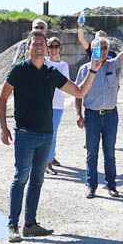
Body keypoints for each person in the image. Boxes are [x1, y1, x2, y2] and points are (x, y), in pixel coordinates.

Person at [0, 30, 103, 241]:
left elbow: (79, 92)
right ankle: (12, 225)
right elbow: (2, 98)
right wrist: (4, 127)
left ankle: (30, 225)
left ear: (47, 49)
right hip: (24, 134)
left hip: (46, 134)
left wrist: (93, 70)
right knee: (20, 178)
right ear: (28, 48)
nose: (39, 47)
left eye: (42, 44)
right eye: (35, 44)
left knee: (37, 180)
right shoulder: (19, 70)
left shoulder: (51, 72)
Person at [73, 26, 123, 199]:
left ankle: (112, 185)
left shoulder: (113, 65)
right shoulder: (84, 69)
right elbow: (78, 94)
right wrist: (79, 114)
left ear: (108, 50)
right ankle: (91, 185)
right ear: (92, 49)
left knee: (109, 153)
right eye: (98, 48)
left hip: (110, 115)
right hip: (92, 115)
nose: (101, 51)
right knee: (91, 153)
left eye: (104, 48)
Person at [43, 36, 72, 169]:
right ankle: (45, 160)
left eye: (56, 47)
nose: (54, 50)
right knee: (43, 132)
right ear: (47, 49)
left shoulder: (64, 65)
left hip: (58, 104)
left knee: (53, 133)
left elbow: (66, 83)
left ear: (60, 49)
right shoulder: (43, 63)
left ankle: (49, 159)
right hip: (44, 103)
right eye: (51, 47)